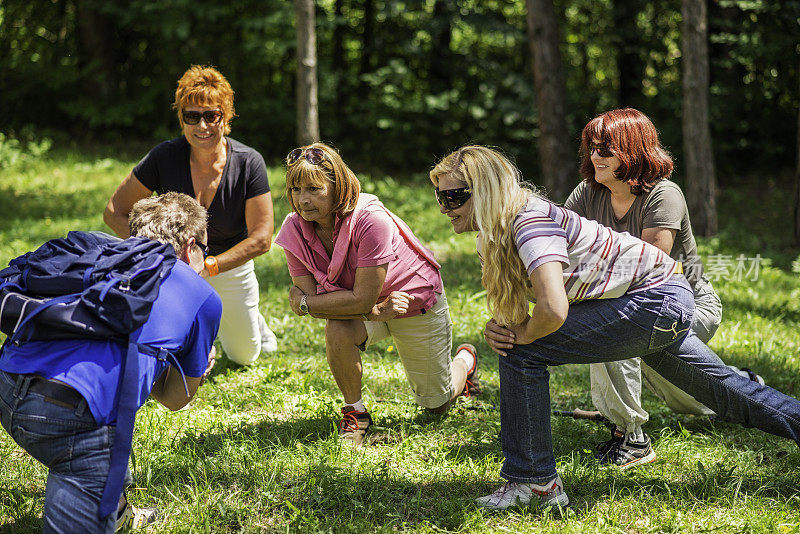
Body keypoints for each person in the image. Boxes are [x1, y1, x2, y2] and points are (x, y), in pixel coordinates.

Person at [430, 145, 800, 511]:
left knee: (522, 352)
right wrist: (502, 327)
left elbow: (553, 309)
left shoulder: (530, 224)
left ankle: (535, 483)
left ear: (487, 191)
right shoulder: (494, 233)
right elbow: (523, 304)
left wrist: (521, 336)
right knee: (725, 391)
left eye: (454, 197)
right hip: (657, 300)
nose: (445, 208)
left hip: (655, 300)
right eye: (440, 196)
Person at [0, 192, 222, 532]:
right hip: (71, 415)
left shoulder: (101, 260)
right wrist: (199, 369)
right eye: (204, 253)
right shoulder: (202, 295)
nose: (204, 263)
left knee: (99, 449)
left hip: (8, 385)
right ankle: (99, 501)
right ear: (190, 245)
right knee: (89, 450)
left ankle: (114, 507)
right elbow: (174, 398)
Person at [564, 108, 763, 468]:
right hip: (630, 304)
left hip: (684, 305)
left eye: (605, 149)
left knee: (613, 331)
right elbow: (558, 247)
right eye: (592, 148)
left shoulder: (663, 194)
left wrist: (583, 275)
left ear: (632, 152)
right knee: (686, 399)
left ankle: (631, 438)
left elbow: (646, 269)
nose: (595, 156)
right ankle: (740, 383)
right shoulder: (586, 193)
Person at [274, 143, 479, 446]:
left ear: (337, 186)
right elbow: (323, 302)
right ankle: (355, 413)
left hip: (412, 302)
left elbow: (325, 300)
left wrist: (304, 304)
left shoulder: (371, 219)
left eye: (314, 189)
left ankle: (465, 361)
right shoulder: (294, 228)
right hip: (374, 309)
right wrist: (366, 311)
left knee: (436, 405)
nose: (303, 200)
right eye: (295, 189)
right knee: (338, 328)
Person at [103, 65, 277, 365]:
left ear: (226, 116)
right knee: (168, 349)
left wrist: (208, 266)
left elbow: (262, 239)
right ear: (181, 119)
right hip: (174, 268)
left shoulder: (250, 162)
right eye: (192, 116)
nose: (202, 126)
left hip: (227, 266)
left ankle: (252, 321)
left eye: (211, 115)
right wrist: (157, 255)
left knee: (243, 356)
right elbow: (114, 213)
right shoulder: (164, 156)